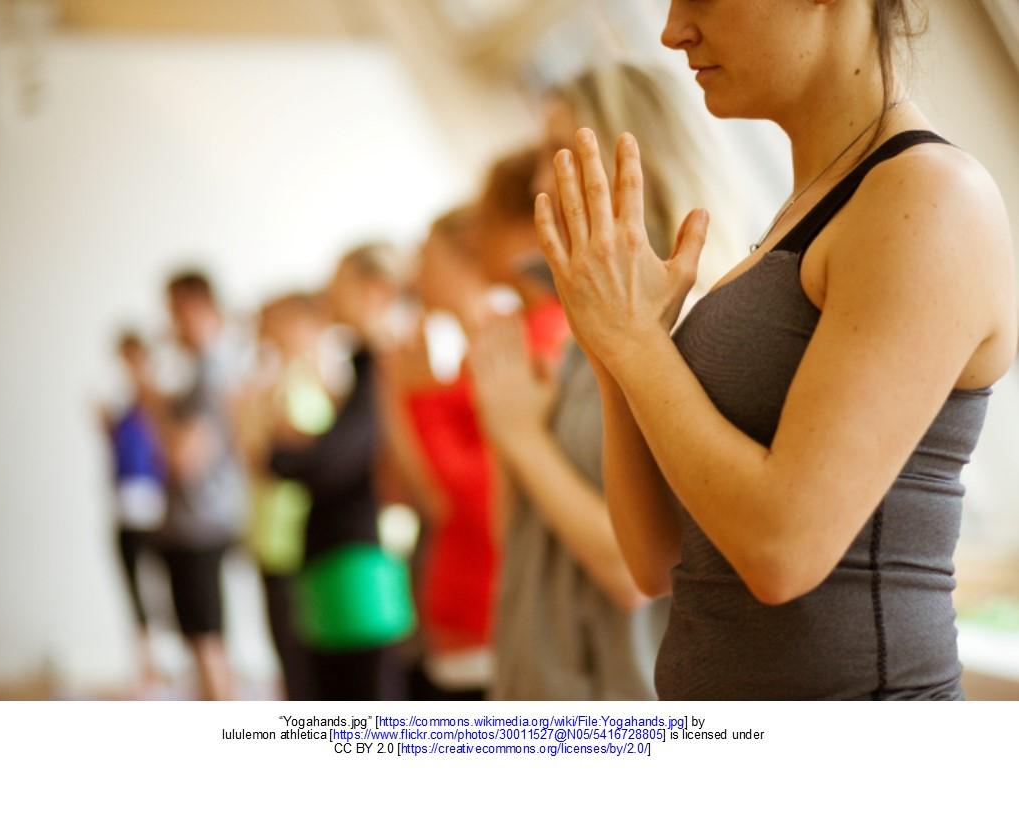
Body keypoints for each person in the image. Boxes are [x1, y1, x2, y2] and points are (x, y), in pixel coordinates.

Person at [537, 0, 1018, 699]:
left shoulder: (930, 195)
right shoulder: (803, 213)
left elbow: (782, 551)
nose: (673, 30)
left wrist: (637, 344)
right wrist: (616, 342)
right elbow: (656, 555)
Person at [469, 63, 728, 700]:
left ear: (629, 161)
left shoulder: (686, 329)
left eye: (554, 157)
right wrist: (507, 425)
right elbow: (521, 534)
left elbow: (635, 570)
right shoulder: (581, 336)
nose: (537, 184)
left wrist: (522, 436)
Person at [267, 245, 416, 700]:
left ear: (374, 290)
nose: (328, 292)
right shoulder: (358, 368)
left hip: (360, 557)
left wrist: (284, 452)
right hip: (336, 554)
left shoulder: (385, 365)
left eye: (340, 281)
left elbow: (328, 464)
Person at [383, 207, 502, 700]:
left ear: (465, 260)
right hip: (452, 610)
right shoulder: (462, 366)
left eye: (427, 257)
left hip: (486, 616)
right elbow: (407, 489)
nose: (416, 274)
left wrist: (401, 395)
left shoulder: (499, 353)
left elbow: (451, 498)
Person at [150, 270, 248, 700]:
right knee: (201, 641)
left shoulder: (213, 371)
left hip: (202, 522)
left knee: (208, 643)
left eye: (173, 311)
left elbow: (183, 458)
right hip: (192, 522)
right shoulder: (203, 370)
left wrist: (150, 401)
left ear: (195, 307)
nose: (170, 324)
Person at [236, 293, 336, 699]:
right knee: (290, 660)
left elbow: (308, 452)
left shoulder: (321, 380)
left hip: (302, 538)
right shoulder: (271, 384)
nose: (262, 331)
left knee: (307, 664)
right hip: (273, 538)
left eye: (271, 321)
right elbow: (255, 452)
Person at [99, 330, 165, 693]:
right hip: (125, 504)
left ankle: (172, 664)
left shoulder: (158, 401)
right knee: (134, 588)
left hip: (155, 506)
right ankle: (148, 666)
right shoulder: (123, 407)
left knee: (164, 588)